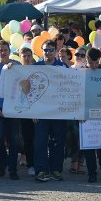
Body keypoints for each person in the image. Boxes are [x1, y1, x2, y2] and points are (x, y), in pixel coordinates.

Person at [33, 39, 68, 182]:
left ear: (55, 51)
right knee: (40, 142)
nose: (48, 52)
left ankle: (56, 170)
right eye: (45, 50)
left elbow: (70, 88)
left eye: (51, 50)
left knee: (57, 142)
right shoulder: (35, 67)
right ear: (42, 51)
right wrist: (32, 112)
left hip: (58, 112)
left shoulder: (63, 67)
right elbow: (31, 91)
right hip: (40, 112)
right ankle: (41, 170)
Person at [0, 41, 20, 180]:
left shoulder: (17, 65)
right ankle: (2, 165)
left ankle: (12, 169)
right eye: (1, 50)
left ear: (9, 51)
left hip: (13, 108)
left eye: (5, 49)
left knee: (14, 140)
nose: (3, 52)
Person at [80, 48, 101, 183]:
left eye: (95, 63)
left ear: (100, 60)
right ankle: (92, 172)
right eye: (90, 63)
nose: (92, 66)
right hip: (86, 112)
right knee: (89, 144)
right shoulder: (80, 72)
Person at [18, 48, 36, 175]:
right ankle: (30, 164)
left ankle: (36, 164)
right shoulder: (16, 71)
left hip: (35, 111)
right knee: (25, 139)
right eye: (24, 56)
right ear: (20, 57)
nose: (27, 58)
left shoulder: (37, 70)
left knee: (36, 140)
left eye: (29, 55)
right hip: (20, 111)